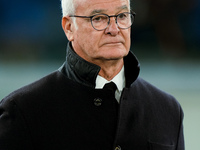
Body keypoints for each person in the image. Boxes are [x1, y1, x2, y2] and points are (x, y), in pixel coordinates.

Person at [0, 0, 184, 149]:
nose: (114, 29)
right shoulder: (21, 111)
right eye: (98, 18)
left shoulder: (168, 110)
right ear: (69, 27)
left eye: (121, 16)